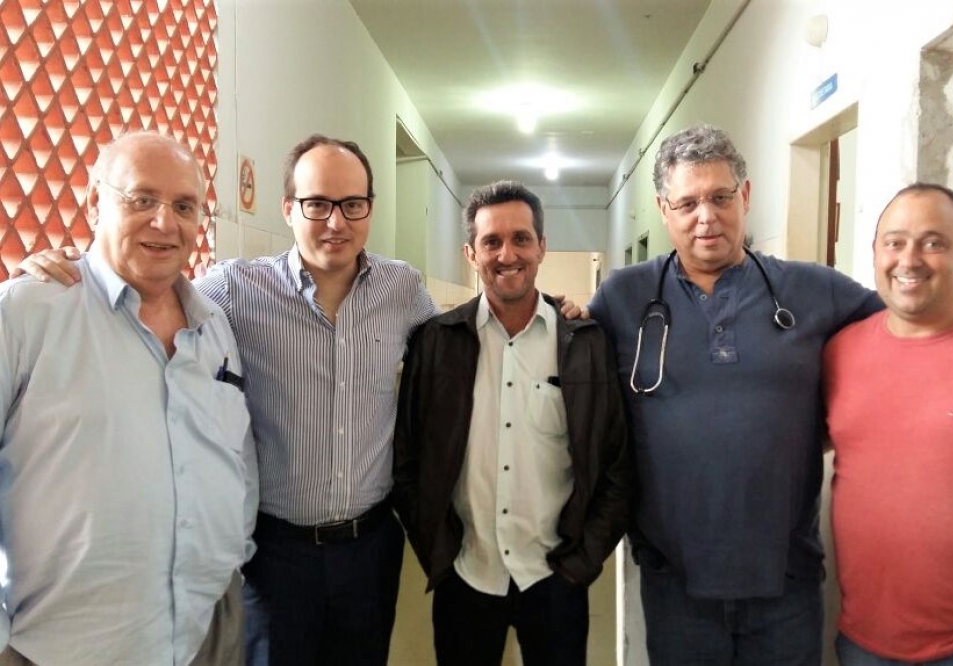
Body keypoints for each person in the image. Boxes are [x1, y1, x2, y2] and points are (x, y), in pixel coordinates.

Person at [16, 134, 437, 666]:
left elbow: (458, 348)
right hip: (276, 555)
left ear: (369, 208)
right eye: (317, 204)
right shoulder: (234, 290)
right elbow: (149, 284)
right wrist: (68, 262)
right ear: (288, 208)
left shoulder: (403, 290)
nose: (336, 222)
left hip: (369, 548)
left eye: (353, 204)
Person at [586, 123, 884, 664]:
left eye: (720, 197)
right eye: (687, 203)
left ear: (745, 196)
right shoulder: (623, 297)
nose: (706, 217)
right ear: (664, 209)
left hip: (785, 582)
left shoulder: (813, 290)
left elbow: (903, 335)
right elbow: (578, 378)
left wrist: (836, 424)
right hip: (675, 583)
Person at [0, 131, 257, 666]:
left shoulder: (214, 325)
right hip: (65, 648)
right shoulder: (25, 314)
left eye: (184, 206)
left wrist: (233, 554)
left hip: (207, 630)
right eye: (142, 199)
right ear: (96, 201)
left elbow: (236, 453)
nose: (165, 223)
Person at [392, 180, 633, 666]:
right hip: (466, 577)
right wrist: (440, 552)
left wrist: (582, 563)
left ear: (542, 246)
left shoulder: (585, 344)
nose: (507, 255)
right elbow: (407, 460)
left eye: (521, 238)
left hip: (555, 579)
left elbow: (617, 467)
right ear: (470, 253)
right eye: (491, 242)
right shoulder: (436, 342)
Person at [823, 183, 953, 666]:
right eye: (895, 242)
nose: (910, 259)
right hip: (862, 644)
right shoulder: (840, 352)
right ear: (876, 253)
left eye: (933, 242)